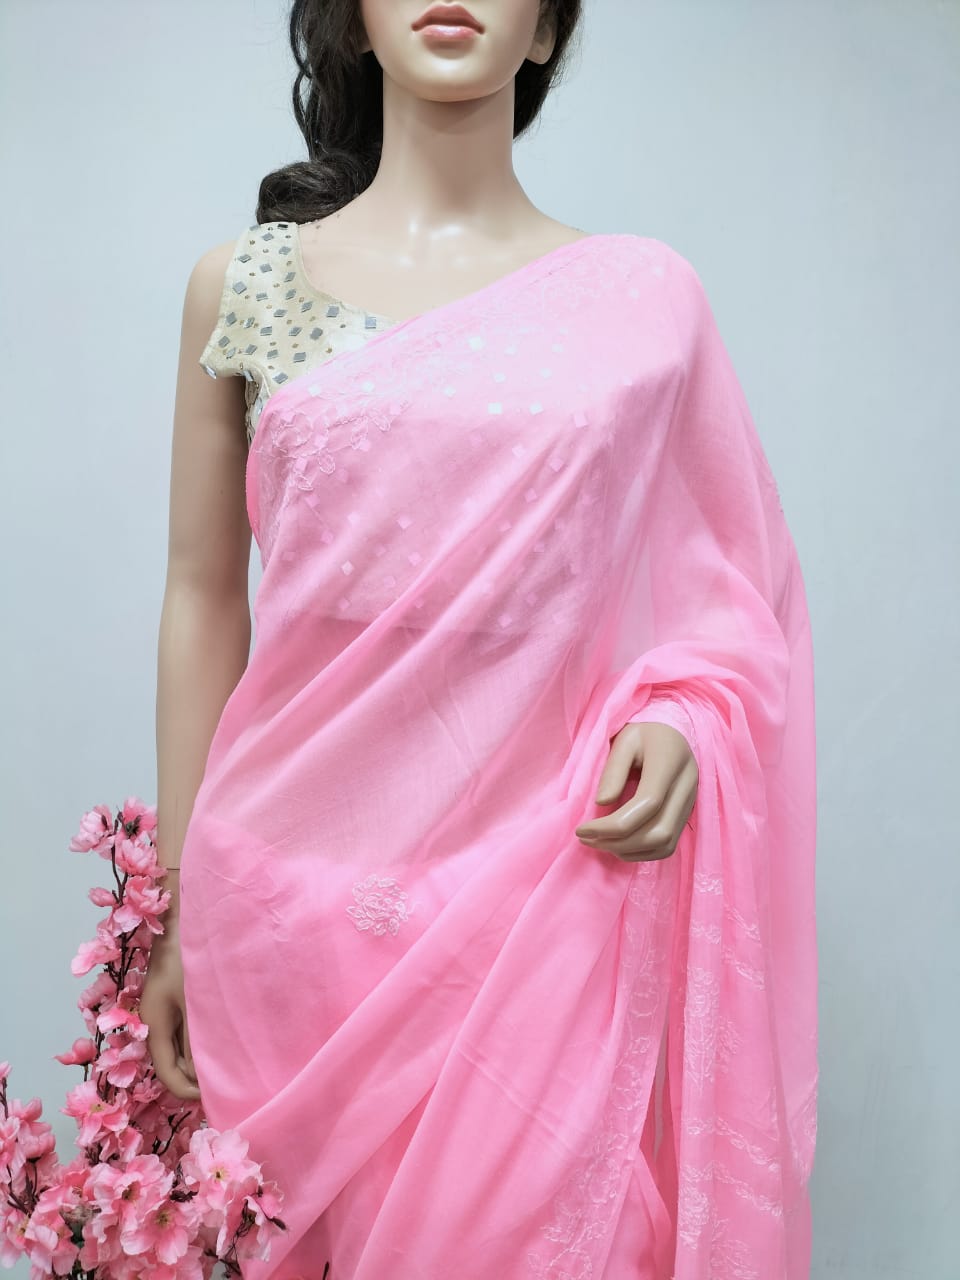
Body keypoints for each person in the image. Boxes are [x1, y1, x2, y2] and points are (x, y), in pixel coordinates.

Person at [141, 2, 819, 1277]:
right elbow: (202, 595)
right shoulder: (244, 285)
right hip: (284, 901)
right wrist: (175, 910)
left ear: (548, 32)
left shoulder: (640, 301)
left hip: (539, 897)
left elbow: (729, 585)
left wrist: (684, 717)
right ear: (351, 21)